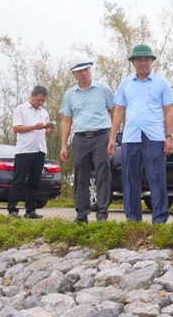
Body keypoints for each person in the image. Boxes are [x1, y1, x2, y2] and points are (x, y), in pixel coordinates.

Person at [107, 44, 173, 223]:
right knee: (130, 179)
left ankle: (159, 220)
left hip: (155, 137)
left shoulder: (162, 83)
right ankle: (133, 220)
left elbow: (169, 110)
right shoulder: (125, 84)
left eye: (146, 59)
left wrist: (170, 136)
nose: (143, 62)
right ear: (133, 62)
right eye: (139, 59)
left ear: (151, 61)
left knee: (156, 177)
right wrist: (112, 137)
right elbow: (119, 111)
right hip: (131, 137)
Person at [60, 55, 114, 224]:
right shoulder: (69, 95)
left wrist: (113, 136)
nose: (84, 73)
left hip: (101, 136)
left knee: (102, 173)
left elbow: (115, 112)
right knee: (80, 175)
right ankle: (81, 214)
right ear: (74, 74)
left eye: (86, 69)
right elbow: (67, 120)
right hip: (80, 138)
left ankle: (102, 213)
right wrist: (63, 144)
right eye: (80, 71)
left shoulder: (103, 89)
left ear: (90, 70)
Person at [8, 85, 55, 219]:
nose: (40, 102)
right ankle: (12, 209)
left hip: (40, 150)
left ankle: (30, 210)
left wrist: (49, 130)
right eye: (38, 99)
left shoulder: (44, 113)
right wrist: (34, 127)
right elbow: (16, 128)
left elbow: (44, 132)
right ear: (32, 96)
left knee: (34, 182)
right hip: (24, 151)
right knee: (19, 180)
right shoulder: (20, 109)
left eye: (43, 101)